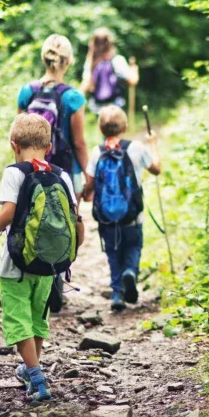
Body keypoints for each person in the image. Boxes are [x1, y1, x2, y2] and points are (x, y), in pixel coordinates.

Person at [0, 114, 84, 406]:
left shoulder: (14, 173)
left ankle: (37, 376)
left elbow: (7, 213)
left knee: (18, 320)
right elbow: (75, 218)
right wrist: (72, 251)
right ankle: (31, 370)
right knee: (37, 317)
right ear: (49, 145)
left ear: (13, 145)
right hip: (49, 264)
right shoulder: (62, 174)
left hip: (15, 266)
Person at [82, 105, 161, 311]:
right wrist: (153, 145)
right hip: (132, 216)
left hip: (107, 218)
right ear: (125, 127)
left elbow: (89, 185)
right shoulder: (135, 148)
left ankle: (117, 294)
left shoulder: (96, 152)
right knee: (133, 247)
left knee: (112, 253)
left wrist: (86, 194)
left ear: (100, 130)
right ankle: (131, 273)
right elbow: (156, 169)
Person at [17, 34, 89, 196]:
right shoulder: (73, 97)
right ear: (69, 60)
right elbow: (78, 143)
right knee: (69, 219)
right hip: (66, 173)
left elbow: (17, 137)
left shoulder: (27, 91)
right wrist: (89, 177)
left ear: (44, 58)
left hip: (32, 171)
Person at [80, 27, 139, 114]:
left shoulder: (91, 63)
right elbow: (132, 81)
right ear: (110, 43)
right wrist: (134, 70)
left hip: (97, 109)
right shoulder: (117, 60)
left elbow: (85, 85)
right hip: (116, 107)